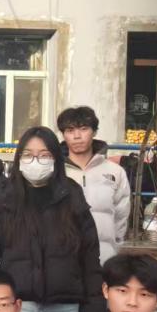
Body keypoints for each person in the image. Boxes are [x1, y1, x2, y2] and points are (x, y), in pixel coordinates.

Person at [0, 126, 104, 312]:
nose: (35, 161)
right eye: (28, 155)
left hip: (65, 307)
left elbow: (90, 256)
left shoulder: (71, 194)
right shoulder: (5, 198)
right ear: (19, 159)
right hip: (17, 306)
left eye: (44, 155)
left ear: (55, 159)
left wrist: (95, 305)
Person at [58, 106, 130, 263]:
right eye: (70, 130)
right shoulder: (55, 173)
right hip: (63, 259)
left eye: (84, 129)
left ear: (94, 132)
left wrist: (112, 249)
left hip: (104, 257)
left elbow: (121, 217)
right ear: (63, 135)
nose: (77, 136)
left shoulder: (115, 172)